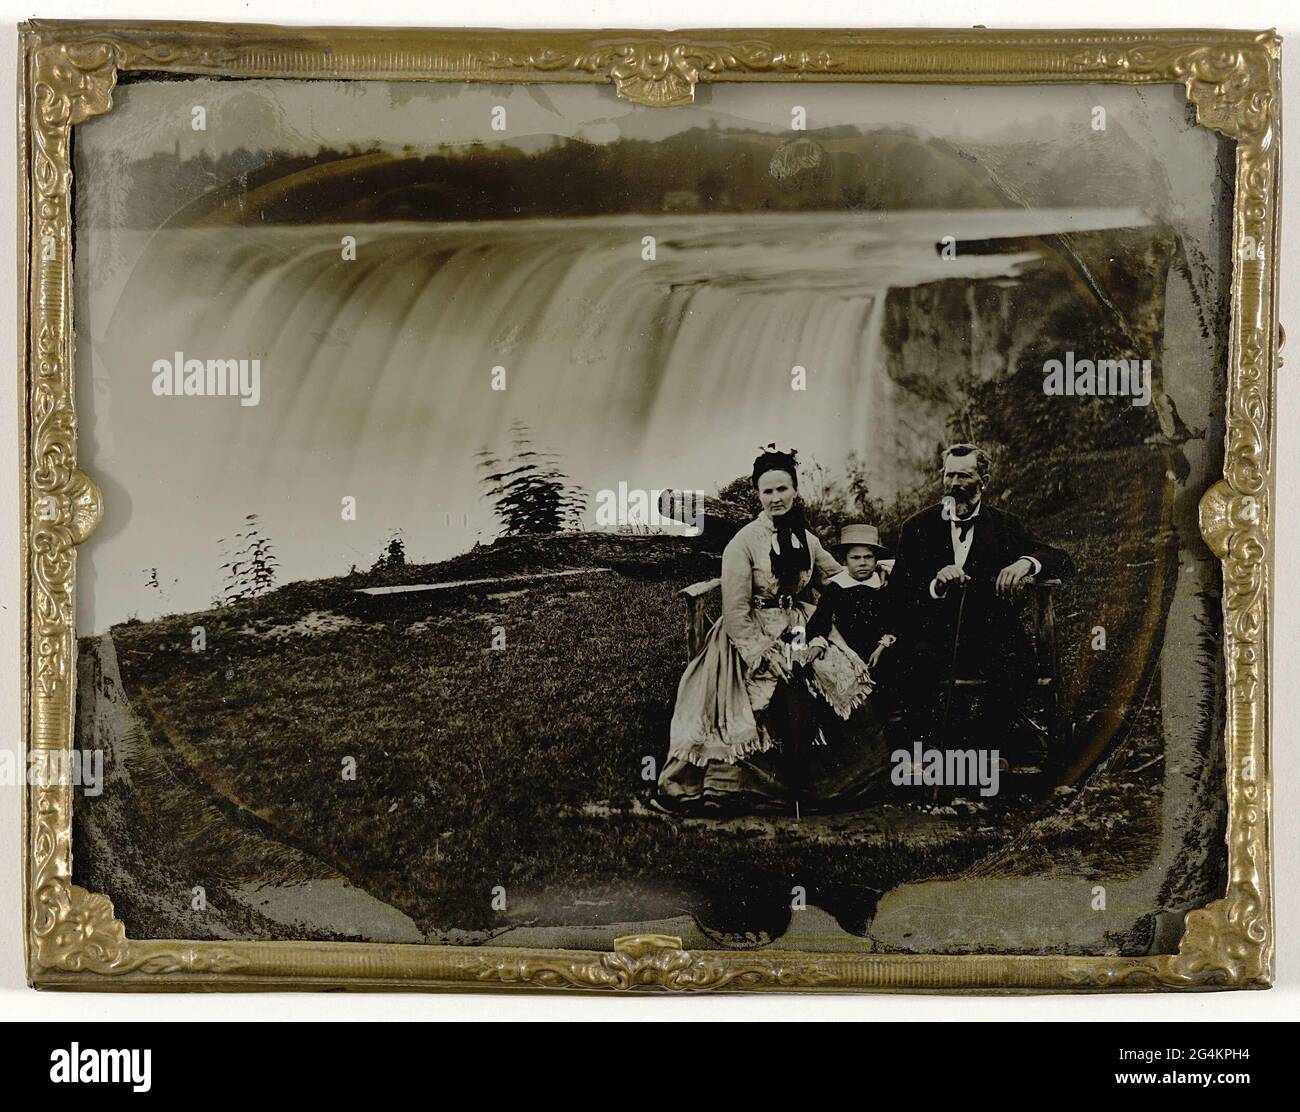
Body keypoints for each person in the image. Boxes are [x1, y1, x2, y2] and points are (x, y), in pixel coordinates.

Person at [654, 446, 873, 816]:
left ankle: (816, 785)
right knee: (764, 690)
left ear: (794, 491)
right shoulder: (742, 543)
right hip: (751, 631)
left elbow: (835, 578)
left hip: (798, 629)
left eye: (782, 489)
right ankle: (741, 786)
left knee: (823, 678)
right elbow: (736, 611)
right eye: (767, 491)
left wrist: (869, 575)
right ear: (758, 495)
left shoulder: (807, 539)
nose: (775, 498)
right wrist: (763, 655)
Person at [888, 443, 1072, 747]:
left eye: (964, 476)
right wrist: (936, 585)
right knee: (910, 664)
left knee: (1016, 664)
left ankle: (989, 743)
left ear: (983, 480)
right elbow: (897, 596)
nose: (955, 485)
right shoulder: (916, 528)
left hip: (990, 636)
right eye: (949, 476)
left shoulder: (1004, 525)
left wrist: (1025, 563)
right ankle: (935, 748)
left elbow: (1061, 559)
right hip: (934, 637)